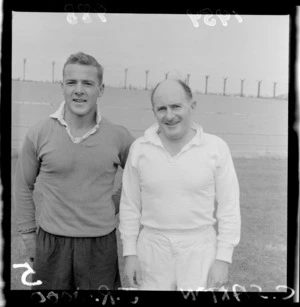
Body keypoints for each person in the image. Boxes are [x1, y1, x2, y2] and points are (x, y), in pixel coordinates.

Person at [14, 52, 135, 290]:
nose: (79, 90)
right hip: (50, 243)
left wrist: (114, 203)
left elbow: (138, 178)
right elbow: (22, 185)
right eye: (72, 82)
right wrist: (28, 235)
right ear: (62, 87)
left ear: (101, 89)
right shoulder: (39, 133)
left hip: (100, 245)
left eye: (88, 83)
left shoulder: (118, 136)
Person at [119, 78, 241, 291]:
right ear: (154, 111)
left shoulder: (216, 148)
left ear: (192, 106)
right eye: (161, 109)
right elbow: (129, 206)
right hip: (152, 248)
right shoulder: (140, 149)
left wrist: (223, 259)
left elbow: (229, 208)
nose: (169, 115)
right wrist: (130, 253)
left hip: (200, 248)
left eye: (176, 106)